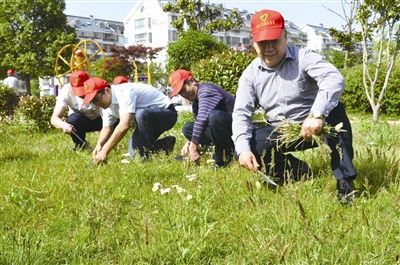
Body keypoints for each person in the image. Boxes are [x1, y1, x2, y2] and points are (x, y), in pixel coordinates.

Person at [232, 9, 357, 203]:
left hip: (316, 125)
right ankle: (297, 171)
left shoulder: (303, 57)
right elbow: (241, 114)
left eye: (274, 40)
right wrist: (243, 151)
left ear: (285, 36)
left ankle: (345, 182)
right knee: (247, 144)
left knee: (336, 113)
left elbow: (333, 78)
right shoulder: (250, 75)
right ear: (254, 42)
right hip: (283, 130)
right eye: (262, 43)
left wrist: (317, 114)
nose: (269, 48)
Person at [82, 77, 177, 163]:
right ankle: (166, 144)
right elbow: (107, 128)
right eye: (93, 102)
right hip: (148, 120)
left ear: (106, 90)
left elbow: (124, 125)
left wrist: (105, 151)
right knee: (134, 154)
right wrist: (99, 145)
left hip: (167, 114)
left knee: (141, 114)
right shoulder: (106, 105)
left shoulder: (124, 92)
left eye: (96, 99)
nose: (96, 104)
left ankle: (145, 156)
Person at [169, 69, 235, 167]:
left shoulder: (206, 90)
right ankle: (218, 150)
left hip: (235, 128)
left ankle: (229, 154)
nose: (184, 94)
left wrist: (193, 145)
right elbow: (199, 125)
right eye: (181, 93)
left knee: (214, 116)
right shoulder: (196, 103)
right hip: (220, 130)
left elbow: (203, 118)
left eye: (184, 90)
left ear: (192, 81)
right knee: (187, 128)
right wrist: (189, 142)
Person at [51, 70, 102, 150]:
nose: (81, 94)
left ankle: (109, 143)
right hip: (83, 122)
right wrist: (64, 125)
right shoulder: (66, 90)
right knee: (73, 119)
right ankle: (81, 145)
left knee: (115, 119)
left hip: (102, 119)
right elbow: (54, 118)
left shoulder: (98, 87)